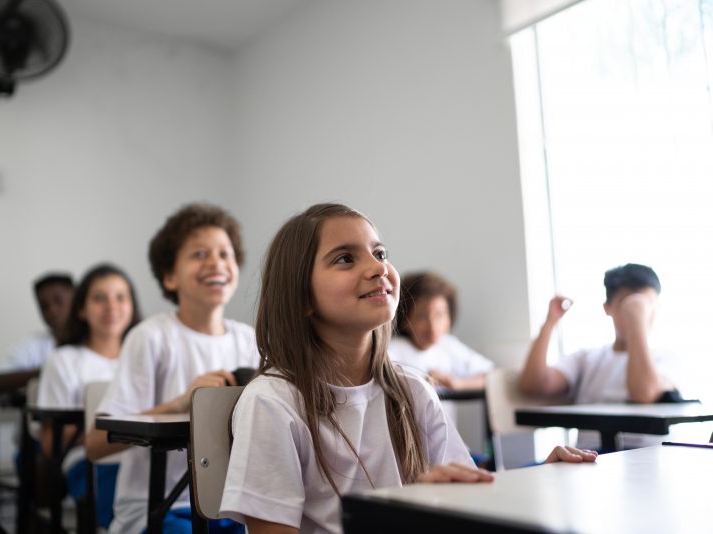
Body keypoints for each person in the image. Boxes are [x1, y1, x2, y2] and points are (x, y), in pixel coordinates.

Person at [219, 203, 597, 534]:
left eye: (380, 253)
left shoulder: (413, 389)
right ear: (302, 297)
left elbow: (469, 497)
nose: (377, 267)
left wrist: (540, 481)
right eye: (345, 258)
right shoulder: (272, 403)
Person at [86, 203, 259, 534]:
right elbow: (95, 445)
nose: (216, 263)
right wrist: (181, 403)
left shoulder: (250, 340)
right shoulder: (150, 337)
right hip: (159, 508)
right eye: (198, 254)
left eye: (225, 254)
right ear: (169, 276)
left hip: (234, 507)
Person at [519, 263, 675, 450]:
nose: (638, 312)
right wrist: (550, 322)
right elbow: (534, 385)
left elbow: (644, 393)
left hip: (644, 457)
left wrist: (636, 322)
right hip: (588, 456)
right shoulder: (588, 358)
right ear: (608, 308)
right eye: (628, 305)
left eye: (645, 305)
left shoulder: (666, 358)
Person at [36, 263, 141, 529]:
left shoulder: (144, 359)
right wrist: (108, 434)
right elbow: (51, 442)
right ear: (81, 309)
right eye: (99, 298)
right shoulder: (64, 361)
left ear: (132, 305)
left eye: (121, 297)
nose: (111, 306)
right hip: (91, 464)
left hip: (144, 459)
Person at [390, 271, 493, 390]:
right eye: (422, 317)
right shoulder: (394, 350)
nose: (433, 326)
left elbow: (491, 376)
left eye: (439, 315)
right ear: (405, 320)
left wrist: (457, 383)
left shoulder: (448, 345)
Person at [4, 272, 75, 370]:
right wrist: (50, 372)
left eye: (58, 301)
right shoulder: (32, 346)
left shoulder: (95, 341)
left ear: (77, 300)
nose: (52, 311)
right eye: (44, 306)